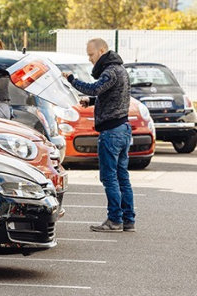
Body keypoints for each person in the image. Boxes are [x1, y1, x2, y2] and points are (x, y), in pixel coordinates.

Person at [62, 38, 135, 232]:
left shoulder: (111, 71)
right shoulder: (119, 70)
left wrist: (71, 79)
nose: (90, 59)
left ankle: (115, 221)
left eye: (91, 54)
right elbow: (110, 95)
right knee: (122, 177)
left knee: (109, 177)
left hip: (112, 132)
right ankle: (128, 220)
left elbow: (94, 87)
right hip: (122, 129)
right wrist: (92, 101)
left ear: (102, 50)